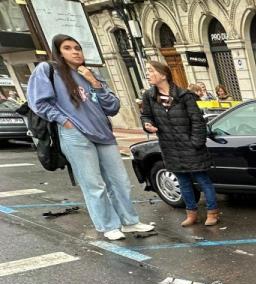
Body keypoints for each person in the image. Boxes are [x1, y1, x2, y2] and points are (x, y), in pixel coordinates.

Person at [27, 34, 154, 241]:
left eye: (78, 47)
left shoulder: (90, 73)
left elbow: (112, 107)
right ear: (59, 52)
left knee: (120, 181)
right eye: (68, 48)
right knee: (94, 183)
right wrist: (64, 121)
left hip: (103, 133)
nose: (75, 51)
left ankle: (129, 221)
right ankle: (108, 225)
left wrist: (93, 81)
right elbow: (38, 102)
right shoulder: (49, 70)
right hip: (75, 134)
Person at [140, 61, 220, 227]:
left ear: (163, 74)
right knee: (183, 182)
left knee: (202, 180)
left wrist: (196, 143)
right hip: (170, 147)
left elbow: (197, 121)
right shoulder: (149, 96)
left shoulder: (184, 95)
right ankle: (192, 213)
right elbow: (146, 116)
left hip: (190, 146)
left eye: (150, 70)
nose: (147, 74)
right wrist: (147, 125)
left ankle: (213, 212)